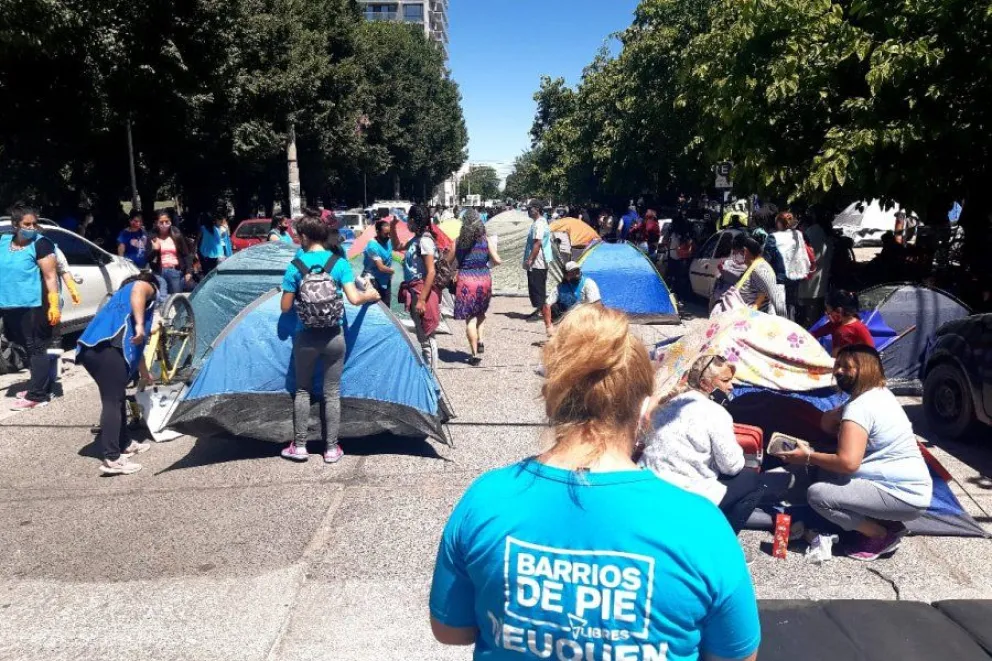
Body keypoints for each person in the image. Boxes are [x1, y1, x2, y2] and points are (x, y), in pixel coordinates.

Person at [429, 305, 761, 661]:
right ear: (644, 406)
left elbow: (451, 630)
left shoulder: (487, 500)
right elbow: (736, 655)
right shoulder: (700, 524)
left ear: (550, 398)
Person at [777, 345, 932, 561]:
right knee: (828, 471)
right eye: (837, 366)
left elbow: (848, 463)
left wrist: (808, 457)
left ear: (865, 369)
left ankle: (879, 535)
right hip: (914, 489)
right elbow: (826, 424)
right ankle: (888, 522)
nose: (838, 371)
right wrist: (835, 416)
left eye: (846, 367)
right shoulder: (879, 394)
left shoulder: (860, 408)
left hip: (901, 494)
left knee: (818, 495)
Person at [280, 212, 380, 464]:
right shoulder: (339, 263)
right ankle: (332, 449)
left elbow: (284, 306)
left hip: (306, 337)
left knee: (302, 390)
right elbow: (355, 299)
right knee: (332, 392)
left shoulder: (296, 266)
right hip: (334, 335)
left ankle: (300, 446)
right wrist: (370, 294)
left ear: (303, 237)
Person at [640, 355, 780, 535]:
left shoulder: (666, 403)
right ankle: (720, 540)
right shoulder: (716, 413)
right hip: (684, 492)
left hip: (651, 481)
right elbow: (731, 466)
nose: (731, 386)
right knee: (752, 481)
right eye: (725, 380)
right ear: (706, 384)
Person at [76, 272, 158, 475]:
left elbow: (135, 348)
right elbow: (140, 287)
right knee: (112, 400)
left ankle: (125, 443)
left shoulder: (118, 301)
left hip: (90, 350)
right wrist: (140, 324)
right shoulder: (145, 288)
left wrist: (145, 373)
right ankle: (112, 458)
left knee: (117, 396)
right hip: (107, 349)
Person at [0, 204, 61, 410]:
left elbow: (51, 277)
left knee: (36, 347)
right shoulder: (3, 241)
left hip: (33, 305)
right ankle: (39, 383)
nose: (32, 227)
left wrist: (53, 303)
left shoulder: (41, 244)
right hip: (9, 304)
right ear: (16, 225)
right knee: (24, 345)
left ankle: (37, 395)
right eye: (27, 224)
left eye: (35, 223)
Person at [392, 205, 441, 371]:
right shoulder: (415, 240)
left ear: (413, 220)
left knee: (427, 336)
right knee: (422, 334)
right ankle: (428, 371)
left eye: (408, 220)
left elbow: (431, 272)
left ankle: (432, 379)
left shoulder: (425, 242)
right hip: (414, 290)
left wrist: (421, 300)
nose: (407, 223)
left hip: (422, 290)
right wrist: (392, 227)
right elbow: (397, 246)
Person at [451, 209, 501, 366]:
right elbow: (498, 260)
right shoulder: (485, 240)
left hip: (466, 280)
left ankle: (474, 354)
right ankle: (481, 339)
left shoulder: (458, 241)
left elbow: (447, 261)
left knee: (470, 319)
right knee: (481, 313)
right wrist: (484, 264)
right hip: (484, 279)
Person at [523, 200, 555, 337]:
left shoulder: (539, 224)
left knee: (539, 293)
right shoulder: (540, 223)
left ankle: (549, 325)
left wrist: (529, 260)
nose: (528, 211)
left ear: (537, 209)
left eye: (530, 208)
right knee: (537, 291)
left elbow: (537, 244)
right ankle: (543, 315)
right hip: (539, 262)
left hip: (538, 263)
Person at [771, 211, 811, 321]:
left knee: (780, 307)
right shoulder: (799, 235)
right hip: (795, 275)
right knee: (791, 305)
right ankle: (792, 328)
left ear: (780, 223)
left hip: (780, 278)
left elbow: (768, 258)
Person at [798, 214, 835, 326]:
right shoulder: (827, 233)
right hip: (821, 282)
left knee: (810, 319)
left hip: (809, 284)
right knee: (818, 317)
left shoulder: (811, 233)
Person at [734, 234, 785, 315]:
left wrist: (780, 325)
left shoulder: (760, 270)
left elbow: (777, 300)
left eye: (735, 253)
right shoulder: (752, 267)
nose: (734, 256)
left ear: (745, 251)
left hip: (759, 321)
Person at [812, 290, 874, 356]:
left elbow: (871, 353)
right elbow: (816, 333)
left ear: (839, 310)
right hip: (836, 362)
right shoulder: (835, 324)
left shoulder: (859, 328)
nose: (826, 313)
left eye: (828, 310)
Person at [149, 210, 193, 297]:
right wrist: (155, 249)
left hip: (174, 271)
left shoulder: (176, 235)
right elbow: (148, 259)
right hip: (159, 272)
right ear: (156, 223)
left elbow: (186, 254)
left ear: (170, 222)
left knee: (175, 297)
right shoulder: (152, 238)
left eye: (167, 222)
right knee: (162, 297)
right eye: (161, 222)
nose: (164, 224)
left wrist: (188, 271)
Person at [362, 219, 395, 306]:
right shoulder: (372, 246)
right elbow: (380, 267)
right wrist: (392, 271)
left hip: (385, 279)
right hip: (373, 280)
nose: (388, 236)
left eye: (389, 233)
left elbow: (391, 253)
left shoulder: (388, 241)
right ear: (378, 232)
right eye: (385, 234)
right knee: (374, 307)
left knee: (387, 306)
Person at [198, 209, 233, 275]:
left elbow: (197, 241)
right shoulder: (217, 229)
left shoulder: (203, 228)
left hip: (208, 255)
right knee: (216, 273)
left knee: (208, 273)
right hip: (219, 254)